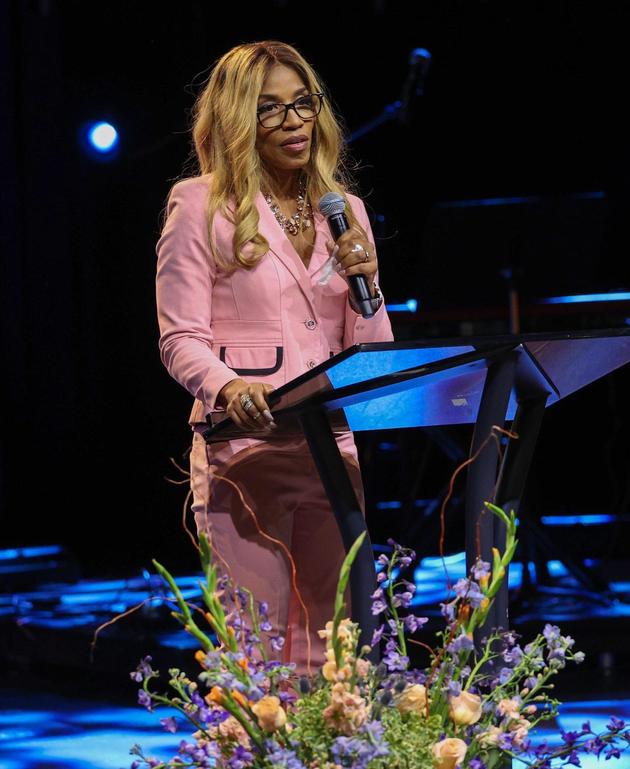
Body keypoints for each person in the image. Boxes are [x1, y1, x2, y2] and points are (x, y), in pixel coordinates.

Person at [154, 41, 393, 670]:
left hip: (331, 450)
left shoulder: (347, 213)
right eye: (270, 110)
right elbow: (179, 337)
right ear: (237, 119)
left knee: (334, 658)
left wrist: (368, 292)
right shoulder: (200, 205)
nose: (294, 122)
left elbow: (372, 356)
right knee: (254, 658)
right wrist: (229, 388)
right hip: (247, 450)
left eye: (303, 104)